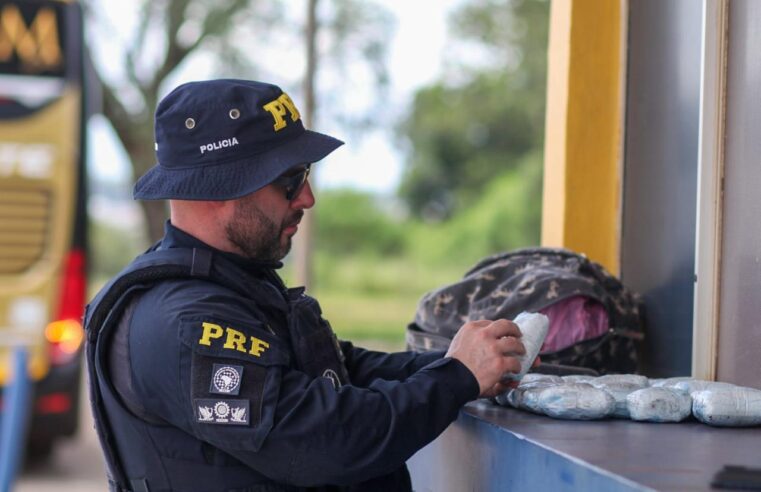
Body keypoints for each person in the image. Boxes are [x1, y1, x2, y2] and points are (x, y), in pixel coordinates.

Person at [85, 79, 531, 492]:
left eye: (305, 175)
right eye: (289, 181)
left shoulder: (234, 285)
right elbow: (327, 442)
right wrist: (456, 378)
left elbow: (339, 368)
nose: (307, 198)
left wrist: (470, 360)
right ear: (215, 187)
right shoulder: (185, 322)